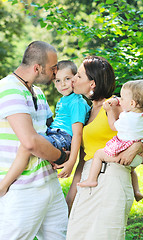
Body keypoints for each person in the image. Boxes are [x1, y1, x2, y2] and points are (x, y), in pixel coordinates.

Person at [66, 56, 143, 240]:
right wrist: (72, 193)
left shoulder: (115, 104)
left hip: (112, 178)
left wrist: (136, 147)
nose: (73, 79)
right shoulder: (86, 110)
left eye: (78, 75)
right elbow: (85, 156)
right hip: (89, 177)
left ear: (92, 83)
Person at [0, 41, 69, 240]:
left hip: (50, 183)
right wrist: (61, 156)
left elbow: (49, 130)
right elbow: (30, 142)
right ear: (37, 68)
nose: (56, 73)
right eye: (53, 68)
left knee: (60, 236)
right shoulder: (8, 89)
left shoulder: (37, 93)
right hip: (22, 187)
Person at [0, 60, 90, 196]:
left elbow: (77, 134)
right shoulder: (64, 100)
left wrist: (72, 160)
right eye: (58, 81)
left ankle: (3, 185)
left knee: (28, 145)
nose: (63, 84)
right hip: (54, 133)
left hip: (63, 137)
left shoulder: (76, 102)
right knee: (30, 140)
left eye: (67, 79)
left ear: (76, 78)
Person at [77, 79, 143, 202]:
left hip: (123, 151)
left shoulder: (126, 118)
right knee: (132, 170)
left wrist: (109, 111)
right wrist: (117, 101)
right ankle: (137, 191)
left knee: (99, 154)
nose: (120, 99)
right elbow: (126, 103)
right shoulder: (141, 114)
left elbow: (113, 126)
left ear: (132, 103)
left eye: (122, 98)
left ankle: (91, 179)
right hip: (138, 156)